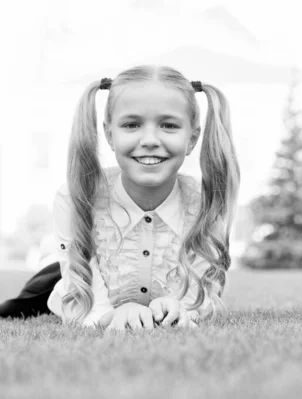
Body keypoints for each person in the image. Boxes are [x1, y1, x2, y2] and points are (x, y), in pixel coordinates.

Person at [0, 65, 239, 329]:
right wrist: (112, 315)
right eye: (131, 125)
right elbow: (83, 302)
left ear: (192, 139)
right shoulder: (75, 197)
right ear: (110, 135)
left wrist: (178, 308)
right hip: (67, 275)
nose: (149, 139)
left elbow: (200, 298)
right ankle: (48, 259)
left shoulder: (208, 201)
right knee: (23, 301)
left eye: (169, 125)